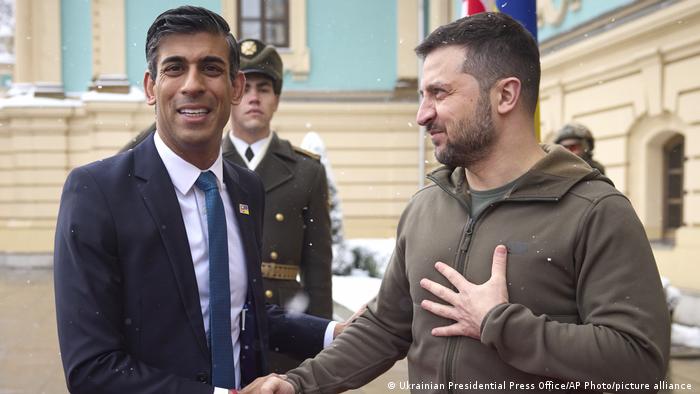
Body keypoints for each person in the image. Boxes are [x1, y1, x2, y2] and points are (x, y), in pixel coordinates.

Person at [247, 12, 670, 394]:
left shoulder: (595, 211)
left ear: (505, 96)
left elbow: (638, 361)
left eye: (439, 93)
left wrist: (500, 324)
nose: (422, 114)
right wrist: (298, 384)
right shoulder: (427, 206)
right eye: (422, 95)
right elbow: (386, 327)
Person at [53, 6, 333, 393]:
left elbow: (241, 312)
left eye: (211, 68)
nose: (192, 84)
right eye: (175, 68)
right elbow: (91, 369)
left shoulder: (245, 189)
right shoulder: (97, 192)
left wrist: (337, 333)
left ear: (234, 87)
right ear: (151, 87)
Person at [221, 39, 333, 373]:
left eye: (265, 88)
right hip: (221, 318)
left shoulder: (306, 171)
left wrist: (319, 344)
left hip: (285, 321)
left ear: (277, 99)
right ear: (230, 95)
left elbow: (317, 268)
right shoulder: (204, 163)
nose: (254, 97)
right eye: (245, 87)